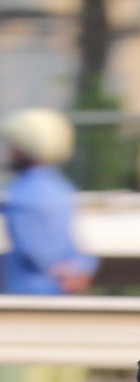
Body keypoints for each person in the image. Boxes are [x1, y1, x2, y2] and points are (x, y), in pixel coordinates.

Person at [1, 108, 96, 295]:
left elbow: (35, 251)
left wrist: (61, 271)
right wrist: (79, 269)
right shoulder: (61, 188)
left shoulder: (23, 195)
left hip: (31, 292)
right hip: (57, 291)